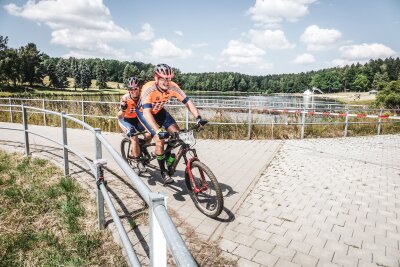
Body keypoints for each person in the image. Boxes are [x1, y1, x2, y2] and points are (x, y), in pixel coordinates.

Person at [136, 63, 207, 184]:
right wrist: (158, 131)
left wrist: (198, 118)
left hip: (159, 111)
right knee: (160, 140)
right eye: (163, 79)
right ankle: (163, 172)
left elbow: (188, 102)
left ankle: (167, 155)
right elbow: (147, 113)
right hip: (144, 113)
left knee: (177, 135)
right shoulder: (149, 89)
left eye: (168, 79)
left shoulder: (173, 87)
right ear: (156, 78)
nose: (166, 82)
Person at [118, 76, 148, 172]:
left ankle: (137, 148)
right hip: (125, 120)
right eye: (131, 89)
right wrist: (123, 109)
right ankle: (139, 161)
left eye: (136, 88)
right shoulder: (125, 98)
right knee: (134, 137)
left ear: (139, 88)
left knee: (149, 134)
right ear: (129, 89)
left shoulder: (143, 97)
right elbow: (119, 116)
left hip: (137, 119)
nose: (134, 91)